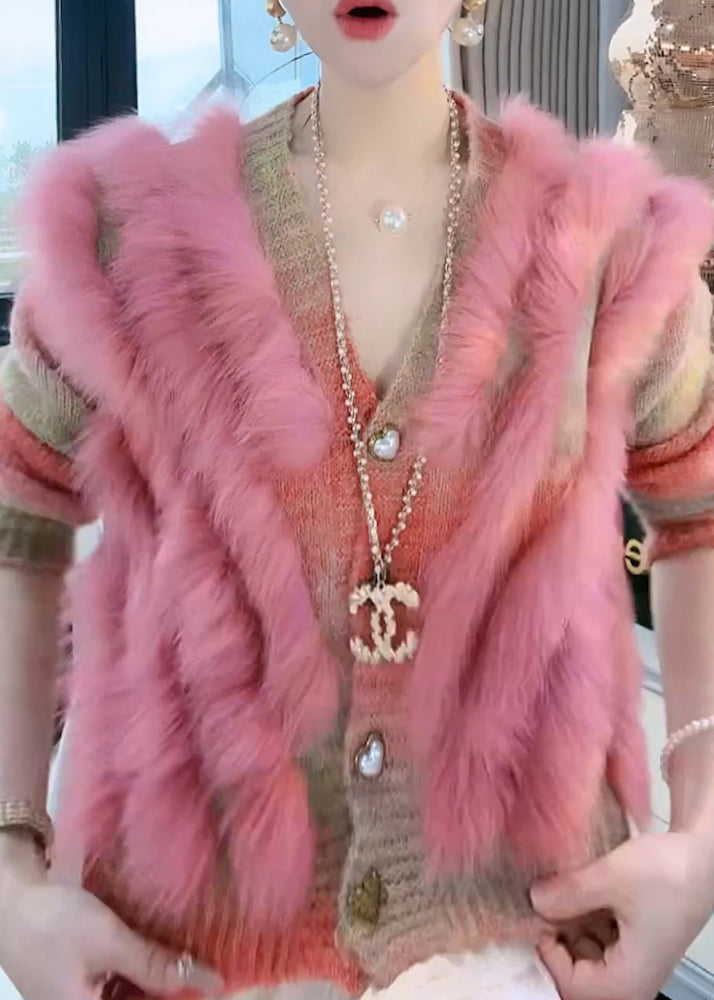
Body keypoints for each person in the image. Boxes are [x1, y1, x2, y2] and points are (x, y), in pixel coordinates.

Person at [0, 2, 713, 999]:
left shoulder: (610, 238)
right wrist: (8, 868)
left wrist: (703, 835)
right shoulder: (126, 235)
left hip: (523, 950)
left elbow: (699, 508)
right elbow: (16, 518)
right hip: (186, 956)